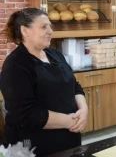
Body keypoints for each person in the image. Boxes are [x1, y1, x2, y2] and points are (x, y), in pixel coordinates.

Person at [0, 8, 88, 156]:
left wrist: (84, 110)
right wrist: (70, 121)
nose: (50, 31)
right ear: (25, 31)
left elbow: (75, 86)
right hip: (31, 146)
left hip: (67, 139)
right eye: (43, 27)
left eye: (50, 26)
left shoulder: (56, 55)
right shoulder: (16, 65)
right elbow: (26, 114)